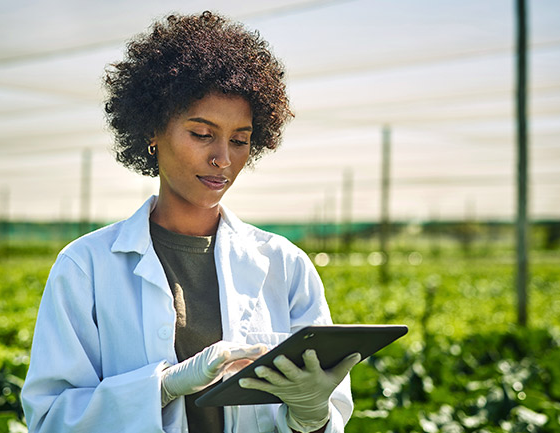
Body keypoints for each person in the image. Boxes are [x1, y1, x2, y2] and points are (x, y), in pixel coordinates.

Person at [21, 11, 361, 433]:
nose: (224, 158)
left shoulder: (286, 266)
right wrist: (161, 388)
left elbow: (324, 413)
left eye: (240, 140)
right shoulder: (85, 267)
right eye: (202, 134)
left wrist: (312, 415)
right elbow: (51, 419)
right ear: (152, 132)